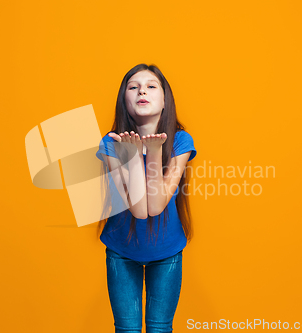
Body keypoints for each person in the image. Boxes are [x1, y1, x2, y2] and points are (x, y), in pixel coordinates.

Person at [95, 63, 197, 332]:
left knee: (159, 328)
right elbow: (139, 210)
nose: (142, 90)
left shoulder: (180, 141)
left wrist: (153, 151)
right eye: (133, 87)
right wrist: (130, 155)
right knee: (126, 329)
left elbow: (156, 205)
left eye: (152, 86)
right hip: (122, 249)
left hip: (166, 250)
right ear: (124, 101)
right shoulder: (110, 144)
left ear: (165, 101)